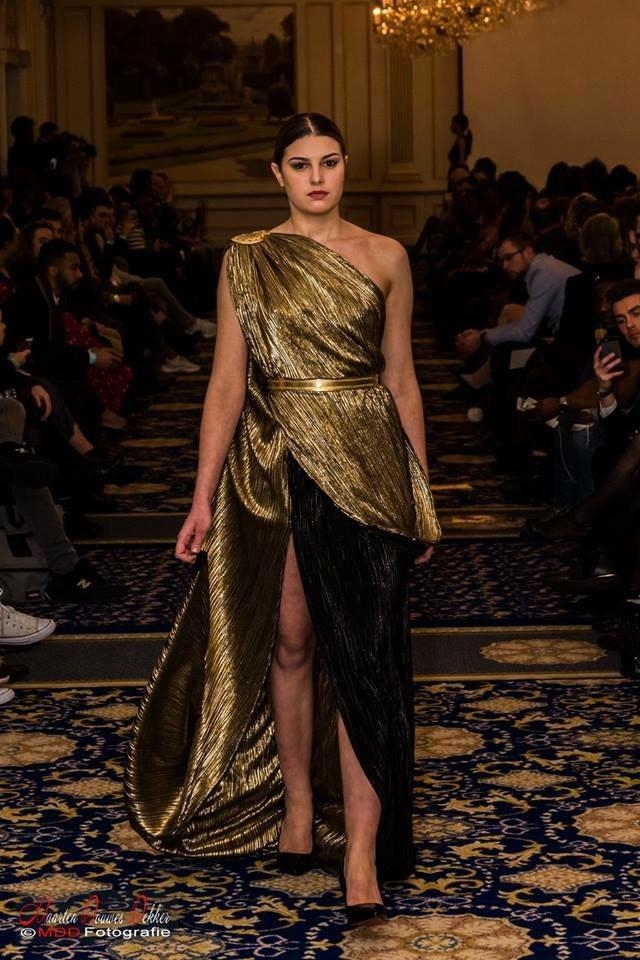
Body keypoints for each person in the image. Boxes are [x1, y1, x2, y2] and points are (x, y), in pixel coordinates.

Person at [125, 113, 440, 927]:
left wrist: (421, 493)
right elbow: (227, 383)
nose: (317, 177)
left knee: (364, 659)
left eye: (329, 161)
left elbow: (402, 379)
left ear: (345, 165)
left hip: (367, 464)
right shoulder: (249, 257)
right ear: (278, 175)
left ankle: (361, 852)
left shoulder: (386, 255)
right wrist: (201, 495)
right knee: (292, 642)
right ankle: (298, 806)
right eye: (300, 164)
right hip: (274, 463)